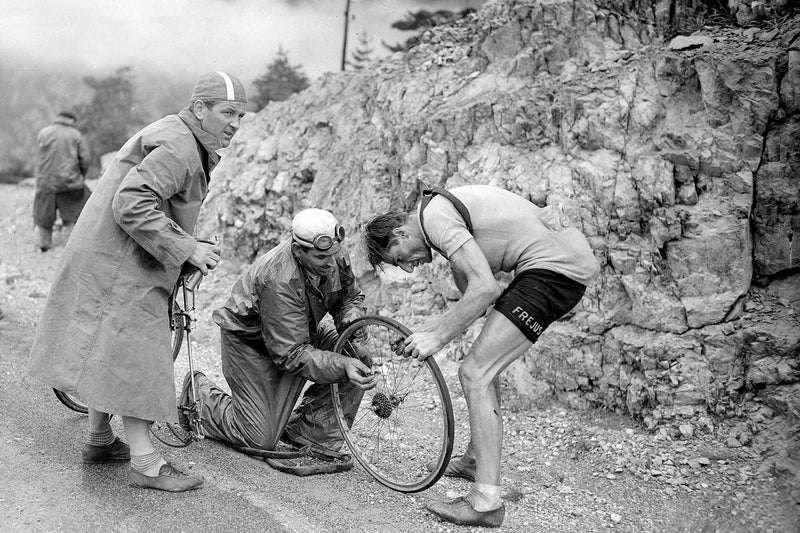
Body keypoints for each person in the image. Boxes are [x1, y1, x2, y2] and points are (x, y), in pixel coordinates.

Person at [27, 71, 248, 492]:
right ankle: (145, 463)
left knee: (108, 349)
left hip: (109, 257)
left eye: (241, 115)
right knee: (140, 356)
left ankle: (99, 438)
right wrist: (188, 250)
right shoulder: (182, 146)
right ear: (200, 109)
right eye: (228, 113)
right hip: (120, 266)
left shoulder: (179, 134)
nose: (235, 123)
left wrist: (186, 243)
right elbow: (131, 203)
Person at [363, 184, 599, 528]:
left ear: (400, 232)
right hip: (557, 268)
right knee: (483, 365)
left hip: (555, 271)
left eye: (400, 258)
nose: (410, 268)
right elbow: (474, 301)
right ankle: (475, 459)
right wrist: (428, 331)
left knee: (474, 372)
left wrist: (436, 337)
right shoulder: (442, 221)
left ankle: (486, 503)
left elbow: (486, 289)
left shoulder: (436, 218)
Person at [183, 208, 377, 457]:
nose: (330, 264)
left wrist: (351, 323)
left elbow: (349, 298)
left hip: (299, 333)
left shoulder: (332, 255)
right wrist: (341, 365)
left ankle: (308, 432)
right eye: (320, 258)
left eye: (333, 254)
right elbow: (290, 354)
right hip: (250, 343)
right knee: (259, 440)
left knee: (357, 356)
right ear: (298, 250)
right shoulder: (278, 279)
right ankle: (198, 396)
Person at [33, 110, 91, 251]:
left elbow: (40, 159)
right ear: (71, 120)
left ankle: (44, 245)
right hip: (69, 184)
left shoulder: (44, 133)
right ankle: (69, 248)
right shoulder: (76, 135)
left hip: (45, 184)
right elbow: (85, 160)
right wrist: (81, 175)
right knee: (71, 216)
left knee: (43, 216)